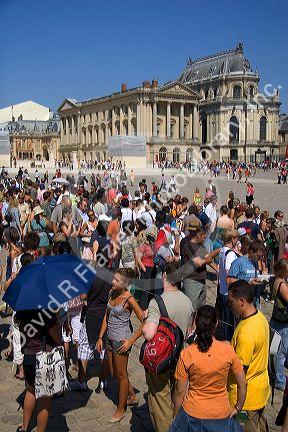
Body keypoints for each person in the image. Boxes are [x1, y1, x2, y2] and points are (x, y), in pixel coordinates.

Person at [171, 305, 246, 432]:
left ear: (195, 323)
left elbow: (179, 391)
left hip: (194, 413)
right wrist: (238, 407)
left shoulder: (187, 353)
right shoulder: (228, 350)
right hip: (221, 412)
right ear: (216, 323)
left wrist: (177, 416)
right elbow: (243, 383)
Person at [142, 261, 193, 432]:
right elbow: (189, 331)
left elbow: (148, 333)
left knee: (160, 398)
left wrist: (145, 319)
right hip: (180, 355)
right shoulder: (188, 301)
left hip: (162, 357)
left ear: (164, 276)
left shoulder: (157, 302)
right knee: (177, 394)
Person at [96, 268, 143, 423]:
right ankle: (132, 396)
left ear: (125, 283)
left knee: (121, 375)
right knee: (113, 372)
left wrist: (131, 341)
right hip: (109, 338)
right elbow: (106, 316)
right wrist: (100, 336)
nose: (113, 281)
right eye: (113, 278)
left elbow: (144, 322)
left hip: (121, 340)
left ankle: (120, 409)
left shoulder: (129, 299)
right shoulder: (111, 293)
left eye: (117, 280)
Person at [228, 280, 270, 432]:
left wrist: (238, 406)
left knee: (246, 428)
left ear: (241, 301)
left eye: (231, 302)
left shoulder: (246, 333)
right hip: (260, 391)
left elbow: (240, 375)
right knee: (259, 426)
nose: (229, 305)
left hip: (246, 401)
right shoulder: (260, 318)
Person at [15, 309, 62, 432]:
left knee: (30, 391)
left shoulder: (21, 312)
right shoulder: (46, 312)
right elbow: (54, 335)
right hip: (45, 358)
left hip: (29, 356)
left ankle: (24, 428)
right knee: (45, 399)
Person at [270, 259, 288, 391]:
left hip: (276, 320)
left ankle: (276, 375)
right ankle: (280, 381)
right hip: (282, 323)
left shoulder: (275, 279)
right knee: (281, 353)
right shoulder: (282, 284)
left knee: (275, 350)